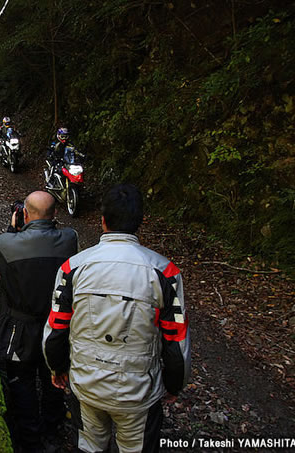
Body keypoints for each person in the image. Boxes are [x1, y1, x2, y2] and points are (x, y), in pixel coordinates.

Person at [42, 184, 191, 453]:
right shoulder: (165, 272)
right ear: (140, 222)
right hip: (138, 391)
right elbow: (175, 339)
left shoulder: (72, 268)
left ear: (102, 221)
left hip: (86, 384)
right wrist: (174, 383)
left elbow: (56, 327)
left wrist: (57, 368)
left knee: (89, 447)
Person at [0, 191, 79, 452]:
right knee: (55, 375)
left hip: (19, 328)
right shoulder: (70, 239)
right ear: (55, 215)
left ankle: (30, 436)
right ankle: (52, 428)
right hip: (58, 326)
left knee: (23, 380)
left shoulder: (5, 243)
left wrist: (11, 229)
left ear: (24, 214)